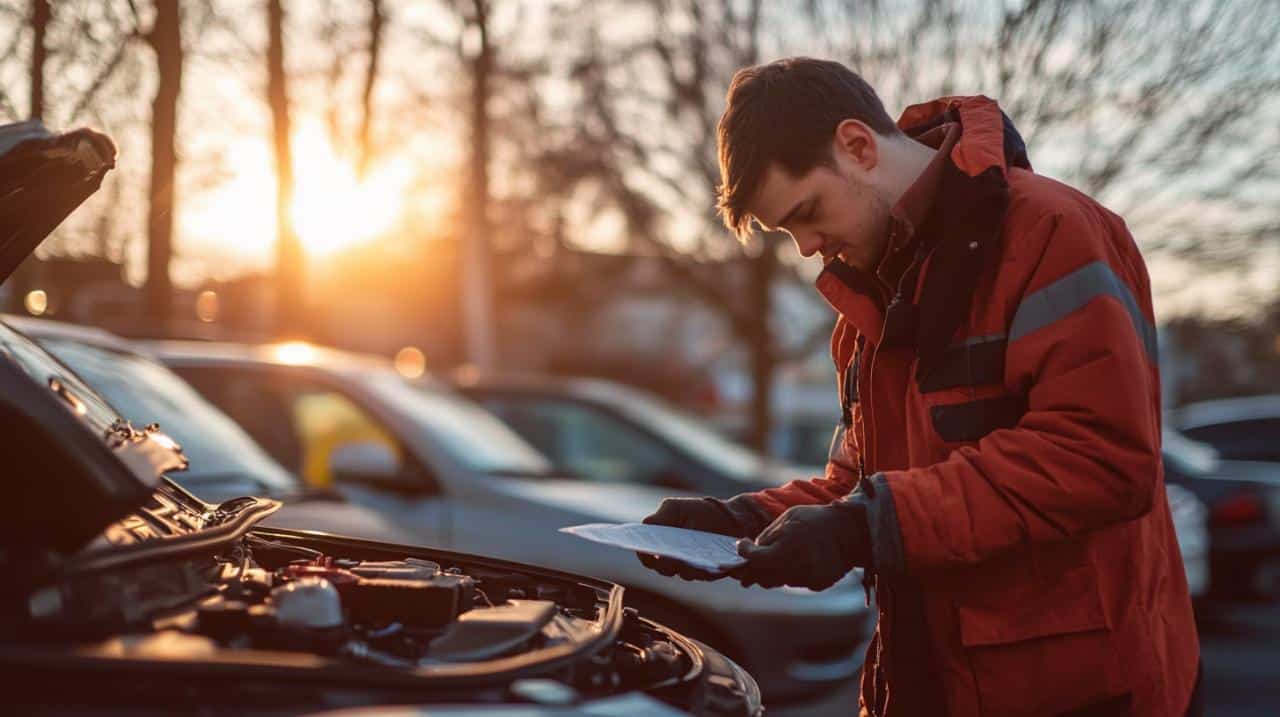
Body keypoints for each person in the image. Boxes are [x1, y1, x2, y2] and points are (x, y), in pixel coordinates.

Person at [637, 57, 1201, 717]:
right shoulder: (866, 313)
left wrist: (866, 526)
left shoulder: (1057, 234)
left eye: (808, 212)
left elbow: (1100, 454)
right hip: (926, 684)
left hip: (1077, 693)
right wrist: (741, 521)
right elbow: (861, 485)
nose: (808, 247)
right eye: (789, 232)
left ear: (858, 145)